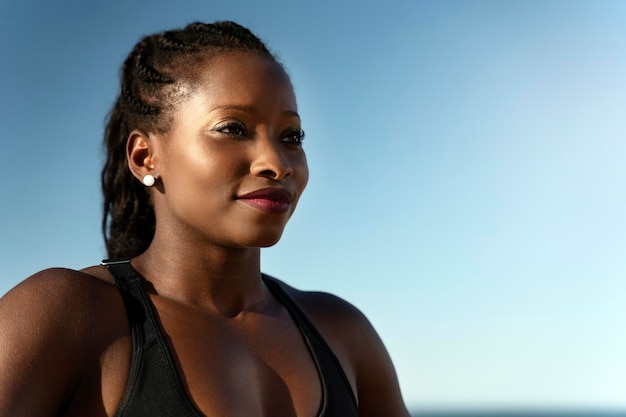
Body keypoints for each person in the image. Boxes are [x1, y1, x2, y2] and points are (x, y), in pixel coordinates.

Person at [0, 21, 410, 417]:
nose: (277, 163)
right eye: (232, 128)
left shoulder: (342, 332)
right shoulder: (67, 315)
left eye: (291, 136)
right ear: (145, 156)